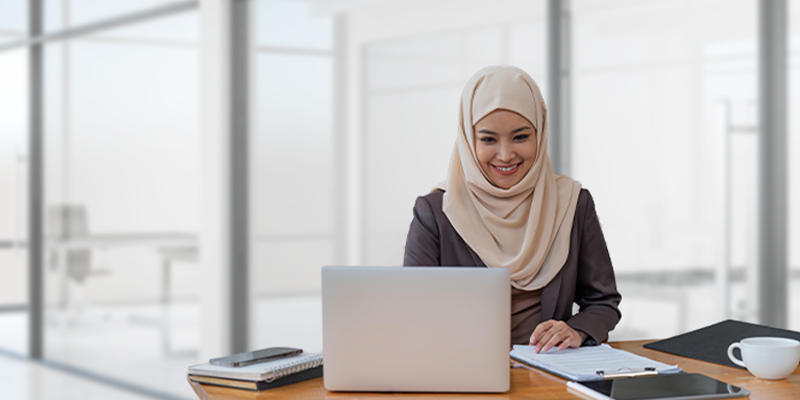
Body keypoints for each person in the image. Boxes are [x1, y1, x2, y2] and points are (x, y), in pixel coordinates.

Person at [403, 65, 621, 352]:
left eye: (520, 137)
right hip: (464, 376)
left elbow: (603, 302)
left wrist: (577, 330)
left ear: (540, 135)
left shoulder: (573, 203)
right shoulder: (435, 212)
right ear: (468, 141)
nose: (506, 155)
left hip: (549, 377)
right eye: (488, 139)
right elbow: (413, 314)